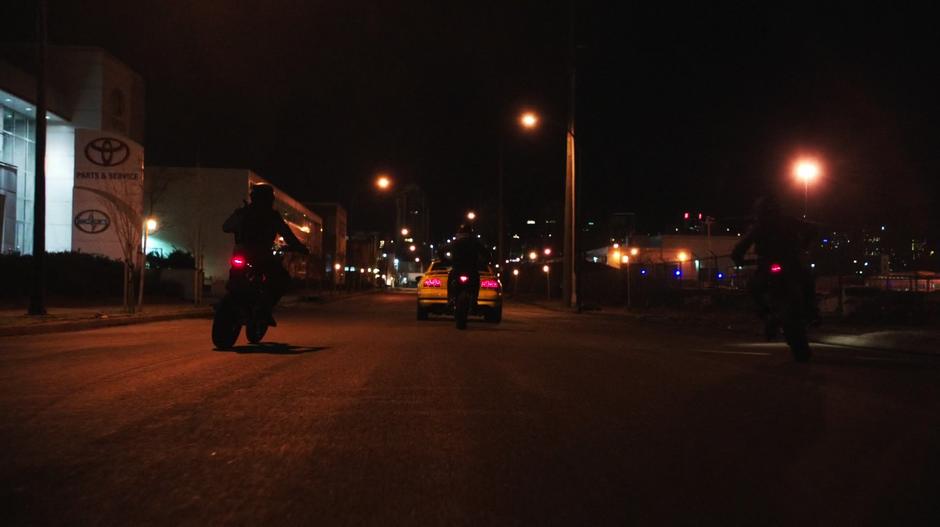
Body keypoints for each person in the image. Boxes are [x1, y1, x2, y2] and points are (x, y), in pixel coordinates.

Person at [731, 195, 818, 337]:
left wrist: (738, 258)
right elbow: (812, 229)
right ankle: (811, 312)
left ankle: (767, 315)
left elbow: (740, 248)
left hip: (770, 264)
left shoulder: (758, 227)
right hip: (790, 262)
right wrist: (804, 246)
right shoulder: (789, 221)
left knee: (754, 288)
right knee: (807, 281)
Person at [222, 184, 309, 325]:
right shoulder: (272, 216)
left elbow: (226, 227)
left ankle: (244, 299)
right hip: (261, 254)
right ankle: (264, 309)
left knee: (236, 271)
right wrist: (299, 247)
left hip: (240, 251)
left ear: (253, 197)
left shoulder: (243, 212)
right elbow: (288, 235)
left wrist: (239, 221)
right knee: (282, 278)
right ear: (270, 199)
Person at [440, 223, 491, 303]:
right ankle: (474, 301)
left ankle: (450, 299)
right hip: (471, 269)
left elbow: (441, 251)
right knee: (476, 282)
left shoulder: (455, 243)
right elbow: (487, 255)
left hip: (457, 269)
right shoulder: (475, 243)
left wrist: (445, 262)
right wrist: (482, 264)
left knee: (450, 278)